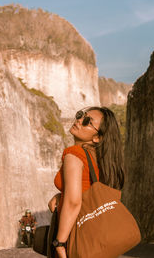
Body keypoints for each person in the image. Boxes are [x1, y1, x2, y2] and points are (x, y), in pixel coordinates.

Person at [48, 106, 125, 258]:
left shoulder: (74, 154)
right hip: (94, 236)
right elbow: (88, 191)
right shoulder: (100, 160)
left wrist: (60, 243)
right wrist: (61, 195)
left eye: (87, 121)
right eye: (81, 115)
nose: (79, 120)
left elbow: (74, 202)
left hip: (74, 234)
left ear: (97, 138)